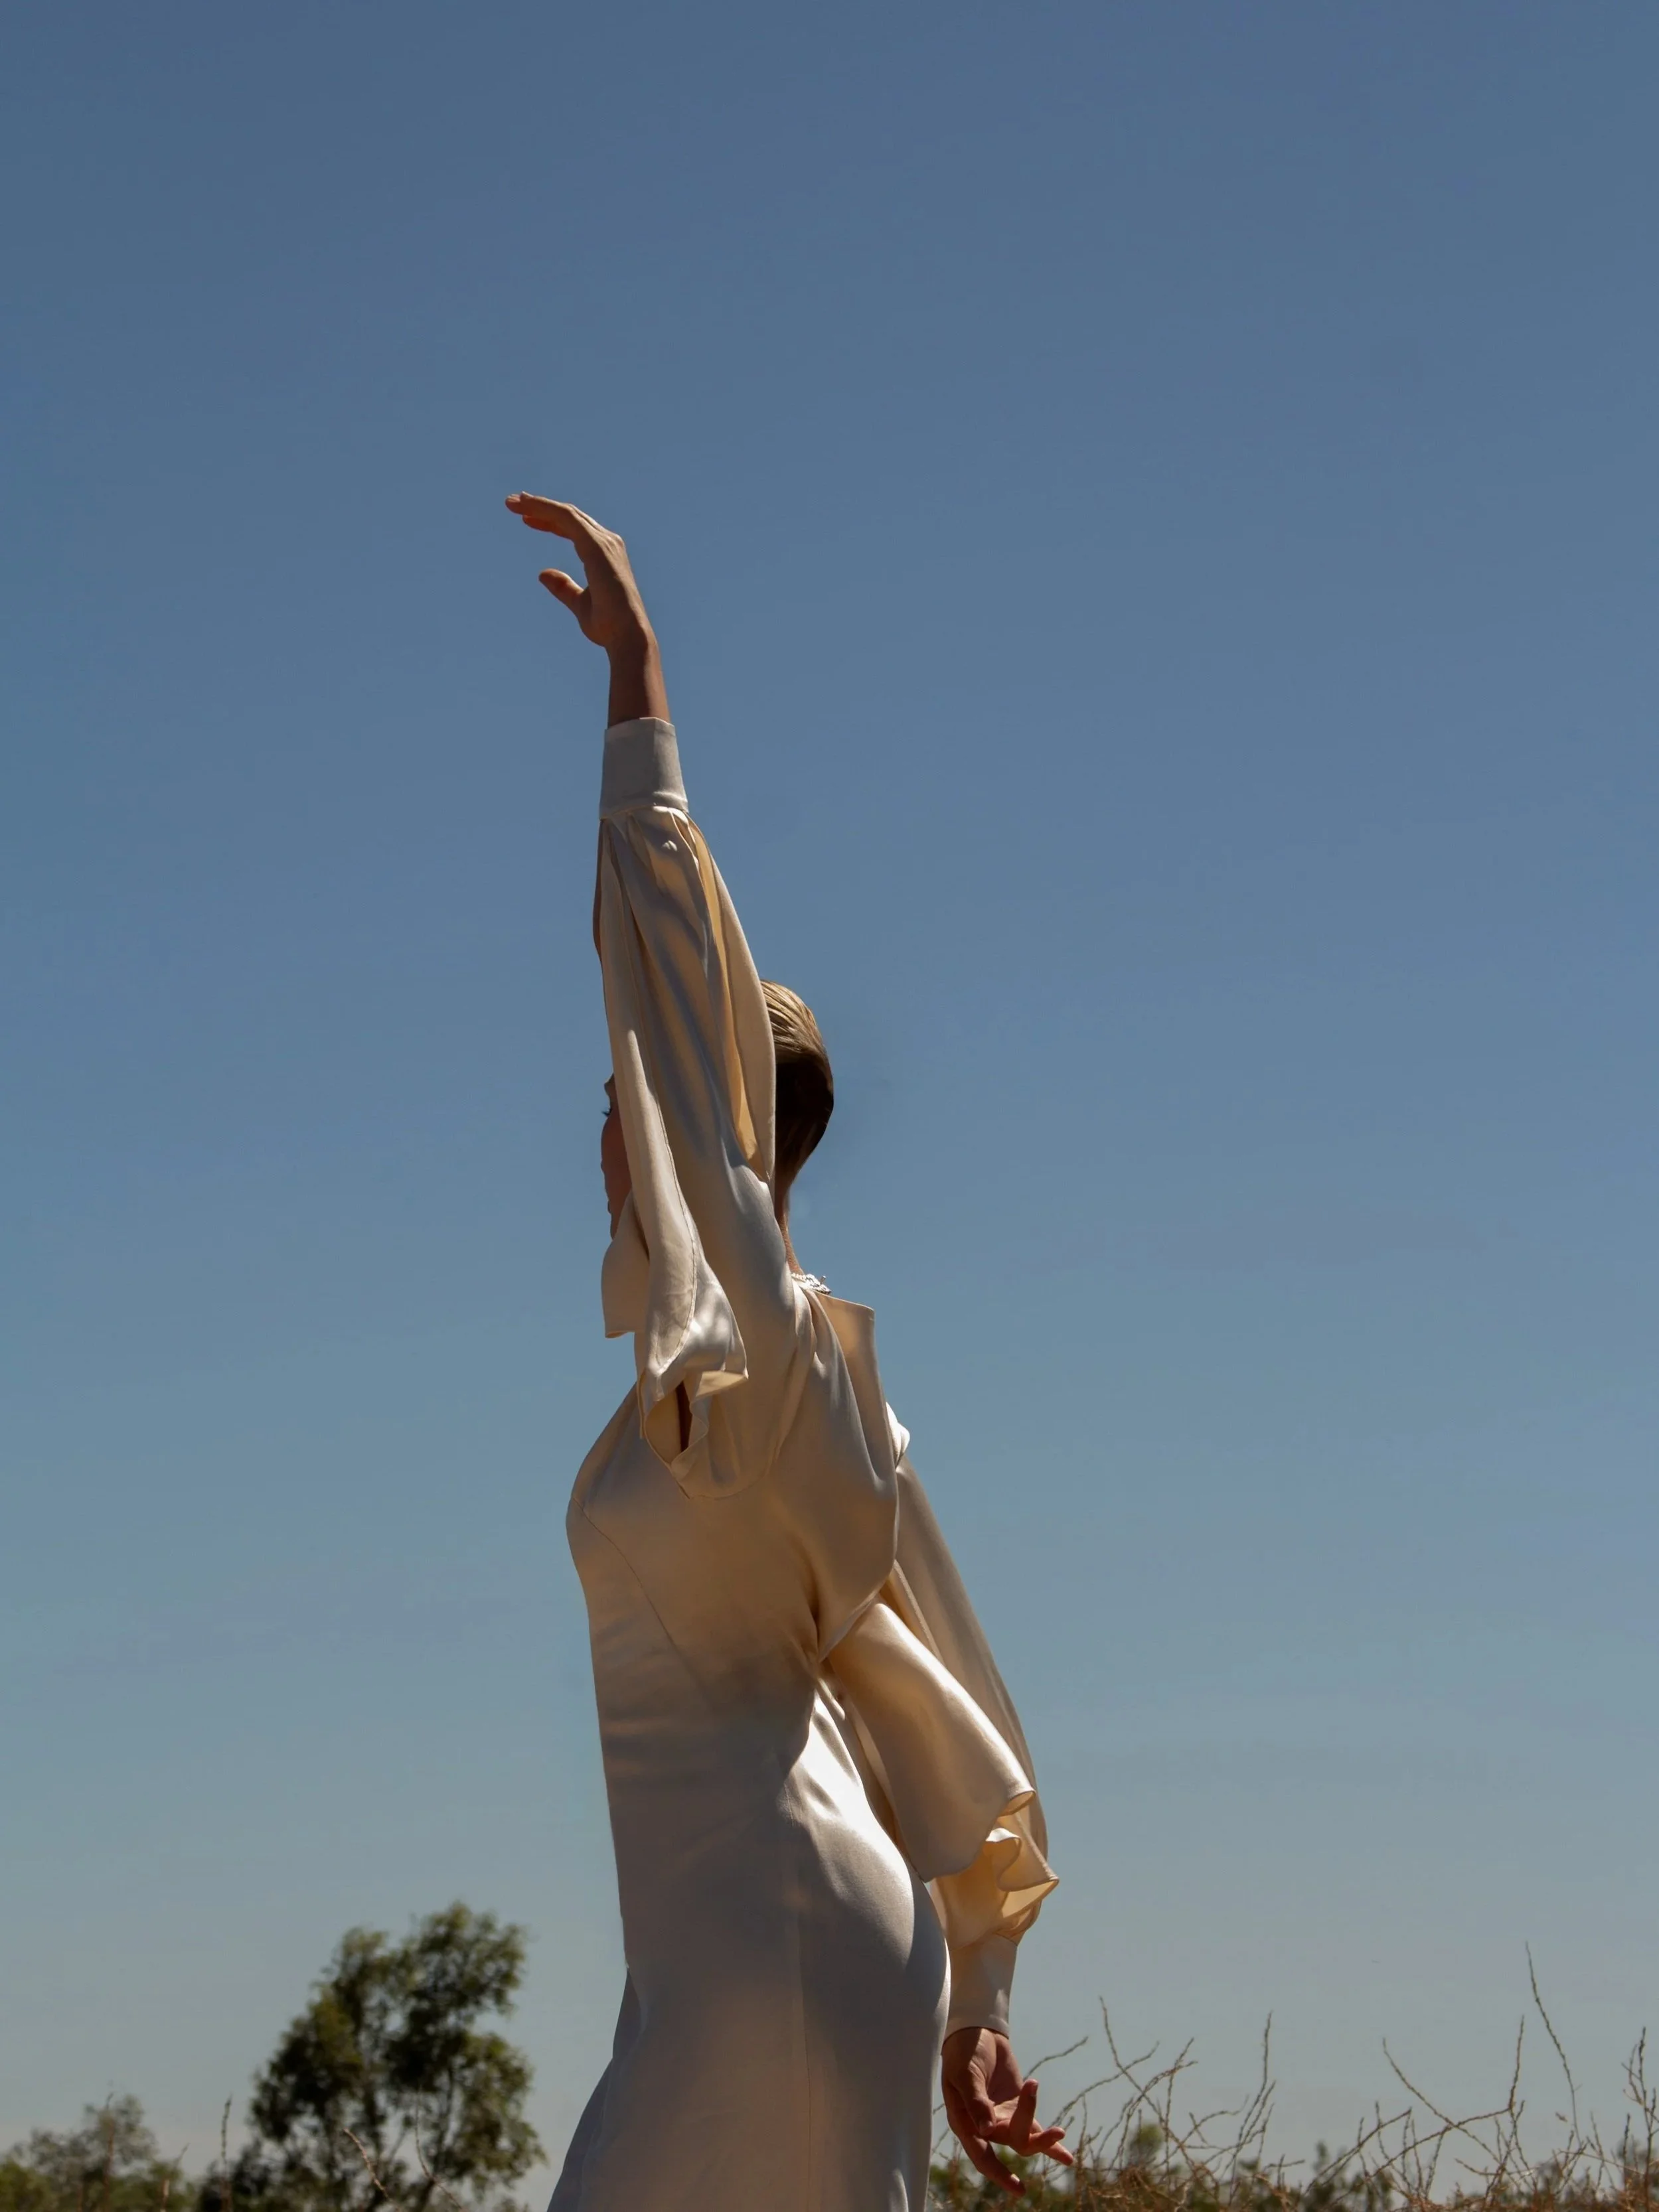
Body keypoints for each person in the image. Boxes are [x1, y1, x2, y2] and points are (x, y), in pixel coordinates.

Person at [506, 493, 1071, 2211]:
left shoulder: (754, 1338)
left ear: (704, 1126)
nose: (610, 1119)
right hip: (763, 1942)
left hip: (772, 1948)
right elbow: (945, 1676)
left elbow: (672, 1005)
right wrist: (978, 1996)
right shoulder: (800, 1390)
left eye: (636, 1098)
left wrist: (640, 702)